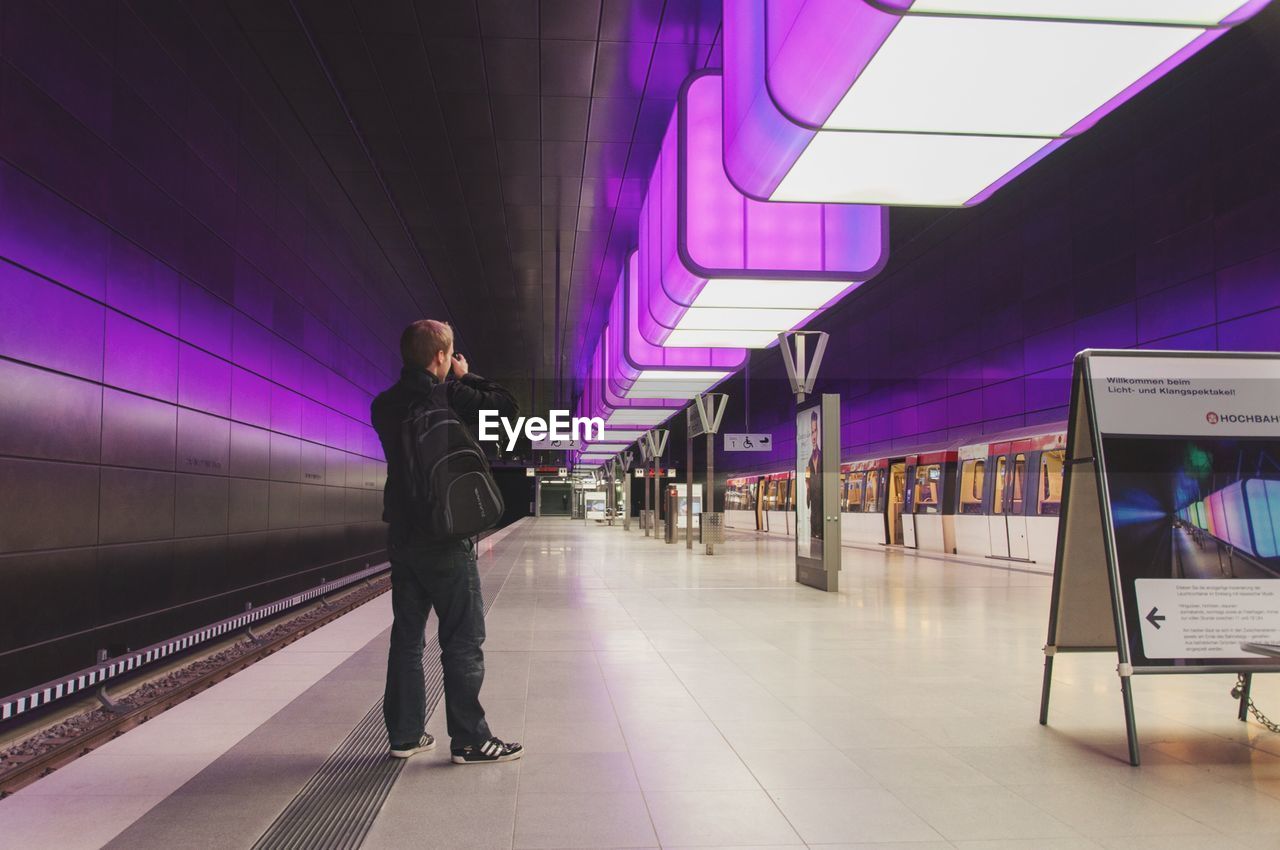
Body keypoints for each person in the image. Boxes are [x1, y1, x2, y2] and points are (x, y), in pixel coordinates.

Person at [370, 319, 523, 765]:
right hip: (446, 535)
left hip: (403, 536)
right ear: (441, 356)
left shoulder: (385, 405)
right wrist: (466, 376)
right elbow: (506, 407)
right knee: (462, 639)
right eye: (449, 352)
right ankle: (471, 739)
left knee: (407, 639)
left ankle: (405, 735)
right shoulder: (451, 396)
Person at [806, 409, 824, 543]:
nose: (813, 435)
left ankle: (820, 532)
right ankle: (814, 533)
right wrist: (808, 491)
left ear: (818, 432)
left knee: (820, 514)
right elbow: (807, 478)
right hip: (813, 496)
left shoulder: (823, 456)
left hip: (822, 496)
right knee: (814, 515)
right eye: (811, 432)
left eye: (815, 431)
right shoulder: (809, 460)